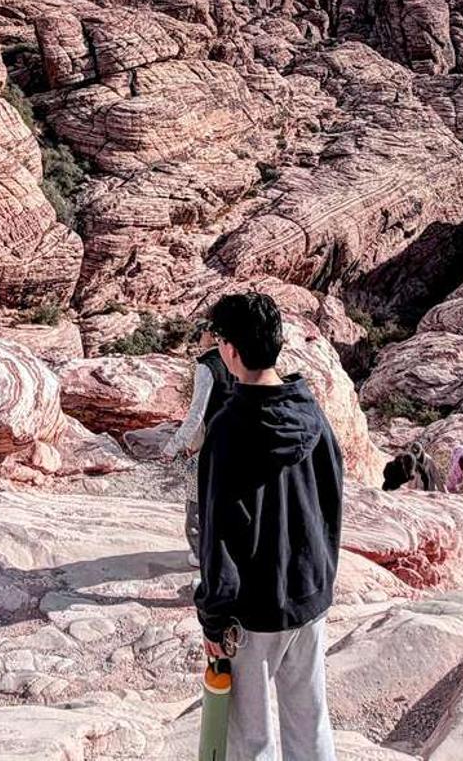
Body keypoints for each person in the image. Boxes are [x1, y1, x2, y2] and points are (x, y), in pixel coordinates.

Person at [196, 292, 342, 761]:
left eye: (221, 340)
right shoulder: (311, 412)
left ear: (232, 351)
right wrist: (322, 577)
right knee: (311, 723)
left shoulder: (228, 429)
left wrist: (213, 617)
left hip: (253, 613)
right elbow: (332, 498)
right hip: (308, 595)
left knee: (251, 740)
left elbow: (218, 531)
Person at [162, 322, 233, 566]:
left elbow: (196, 414)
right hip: (235, 440)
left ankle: (200, 554)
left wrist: (172, 447)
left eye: (202, 333)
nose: (199, 337)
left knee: (196, 500)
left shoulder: (207, 366)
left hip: (210, 444)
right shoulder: (238, 360)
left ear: (213, 336)